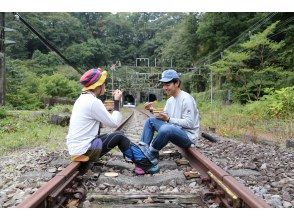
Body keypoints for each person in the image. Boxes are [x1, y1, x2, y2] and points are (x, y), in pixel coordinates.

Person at [66, 68, 159, 175]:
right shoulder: (93, 101)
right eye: (104, 83)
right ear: (99, 85)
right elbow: (114, 123)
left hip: (77, 148)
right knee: (119, 137)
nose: (105, 86)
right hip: (84, 150)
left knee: (118, 134)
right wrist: (116, 101)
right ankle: (145, 164)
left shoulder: (82, 99)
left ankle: (140, 161)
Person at [138, 69, 200, 172]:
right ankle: (143, 150)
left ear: (177, 83)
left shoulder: (186, 99)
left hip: (187, 136)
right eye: (163, 85)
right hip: (174, 129)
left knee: (167, 128)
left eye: (168, 84)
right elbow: (165, 117)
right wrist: (152, 110)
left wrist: (169, 119)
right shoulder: (170, 100)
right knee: (151, 121)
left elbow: (190, 123)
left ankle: (151, 154)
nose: (165, 88)